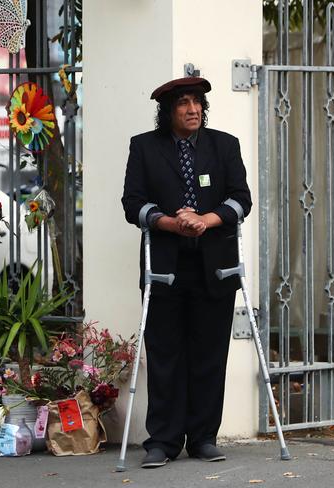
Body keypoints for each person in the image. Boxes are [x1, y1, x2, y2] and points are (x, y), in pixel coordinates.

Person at [121, 77, 252, 468]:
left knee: (209, 353)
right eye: (183, 104)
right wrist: (169, 223)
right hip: (165, 268)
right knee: (165, 355)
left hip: (214, 267)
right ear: (168, 111)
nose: (192, 109)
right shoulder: (144, 146)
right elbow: (133, 204)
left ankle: (203, 438)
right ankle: (161, 440)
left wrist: (205, 220)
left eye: (197, 103)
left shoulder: (224, 145)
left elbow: (241, 199)